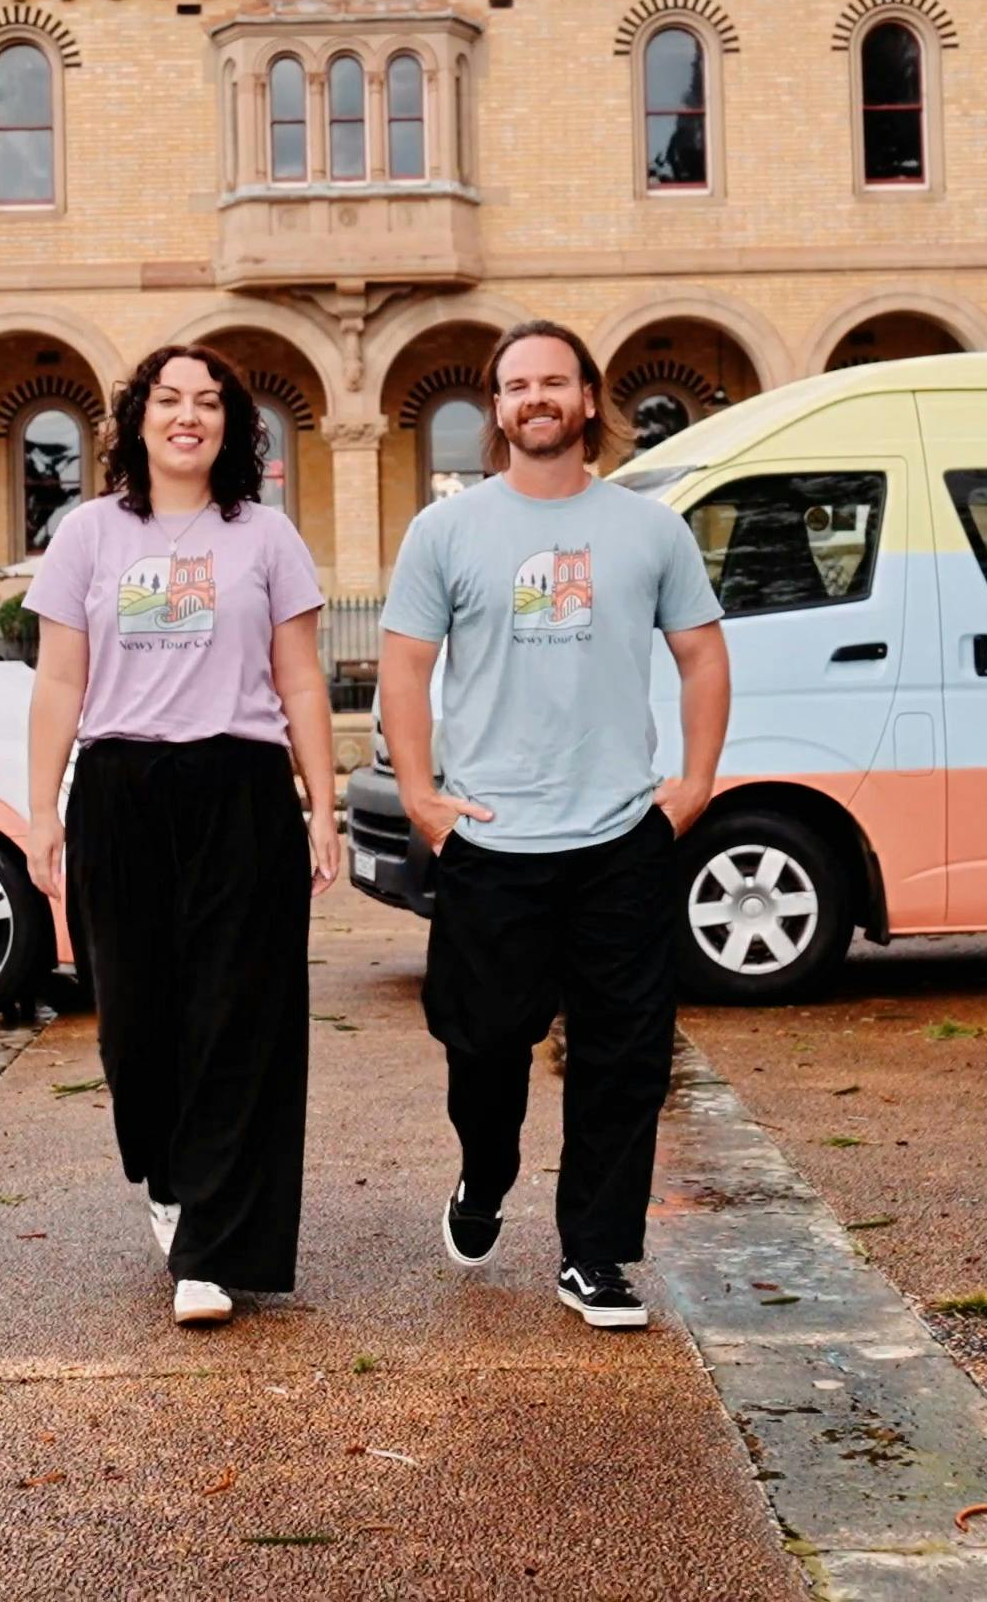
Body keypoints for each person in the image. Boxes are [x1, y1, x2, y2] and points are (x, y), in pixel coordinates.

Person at [377, 320, 729, 1331]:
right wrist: (421, 795)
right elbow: (403, 664)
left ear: (587, 400)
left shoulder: (649, 529)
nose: (536, 397)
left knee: (625, 1055)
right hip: (491, 839)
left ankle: (598, 1255)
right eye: (516, 384)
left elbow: (703, 655)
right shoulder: (447, 532)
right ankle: (484, 1178)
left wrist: (694, 782)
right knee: (482, 1046)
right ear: (497, 408)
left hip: (621, 837)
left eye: (554, 382)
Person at [24, 345, 343, 1328]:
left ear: (233, 425)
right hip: (120, 787)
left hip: (239, 787)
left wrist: (320, 805)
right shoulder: (86, 535)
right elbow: (59, 682)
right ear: (138, 418)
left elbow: (299, 681)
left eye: (208, 402)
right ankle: (166, 1173)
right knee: (135, 1023)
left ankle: (211, 1242)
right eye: (170, 399)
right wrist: (41, 809)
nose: (188, 416)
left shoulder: (267, 537)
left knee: (235, 1018)